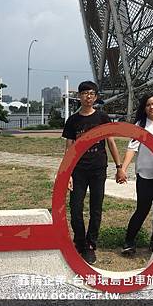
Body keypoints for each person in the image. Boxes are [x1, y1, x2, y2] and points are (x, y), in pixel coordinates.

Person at [62, 80, 122, 265]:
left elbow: (111, 142)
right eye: (84, 93)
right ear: (79, 96)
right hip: (78, 170)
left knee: (96, 208)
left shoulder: (102, 118)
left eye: (91, 93)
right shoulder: (73, 120)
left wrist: (119, 167)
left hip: (98, 168)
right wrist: (67, 174)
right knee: (76, 208)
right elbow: (69, 148)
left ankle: (90, 244)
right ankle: (80, 241)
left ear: (95, 97)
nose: (88, 96)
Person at [118, 94, 153, 255]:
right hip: (146, 174)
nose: (151, 107)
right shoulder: (140, 125)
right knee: (143, 208)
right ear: (144, 108)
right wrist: (123, 169)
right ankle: (129, 241)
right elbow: (131, 149)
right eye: (148, 105)